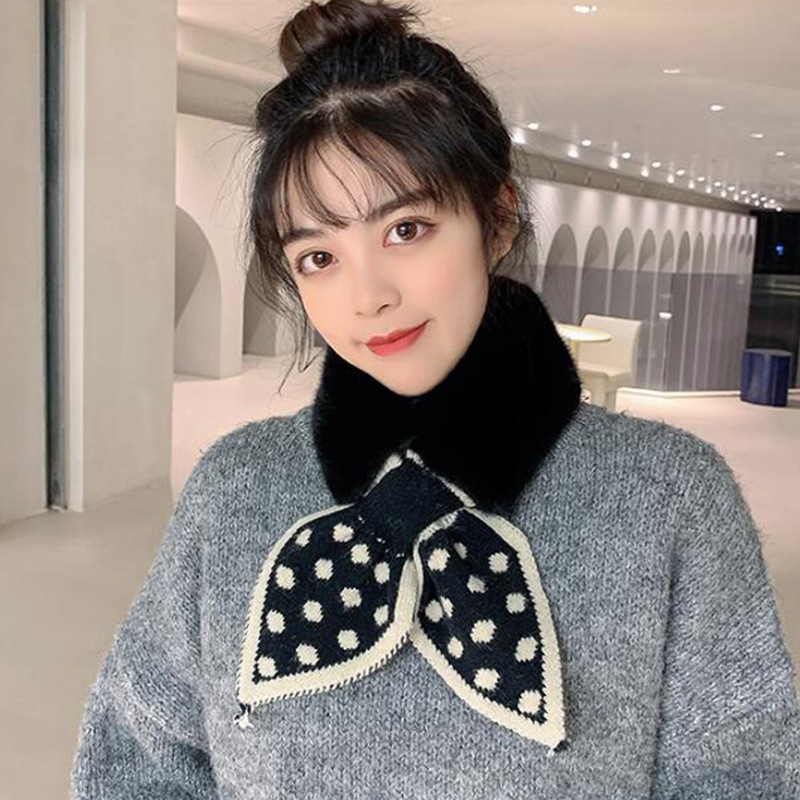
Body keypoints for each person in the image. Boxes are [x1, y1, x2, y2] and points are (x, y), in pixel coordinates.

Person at [70, 0, 800, 797]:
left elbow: (745, 778)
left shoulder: (671, 498)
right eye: (318, 257)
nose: (367, 297)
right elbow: (137, 759)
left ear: (496, 220)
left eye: (406, 229)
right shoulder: (234, 487)